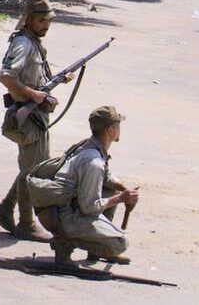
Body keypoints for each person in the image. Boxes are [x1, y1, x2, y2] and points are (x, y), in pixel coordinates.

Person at [0, 0, 71, 242]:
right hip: (26, 115)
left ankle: (5, 208)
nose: (46, 25)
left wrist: (55, 80)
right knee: (32, 171)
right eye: (41, 21)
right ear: (28, 20)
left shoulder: (33, 42)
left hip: (35, 115)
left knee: (35, 166)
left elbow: (32, 77)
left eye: (48, 21)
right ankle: (26, 223)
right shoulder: (23, 44)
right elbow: (6, 77)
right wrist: (32, 93)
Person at [47, 105, 139, 264]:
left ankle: (94, 250)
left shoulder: (90, 146)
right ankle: (65, 243)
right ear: (110, 130)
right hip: (66, 217)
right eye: (118, 126)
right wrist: (120, 198)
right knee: (119, 244)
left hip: (62, 208)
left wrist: (125, 189)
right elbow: (89, 207)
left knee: (110, 189)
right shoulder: (93, 162)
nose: (120, 129)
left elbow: (107, 177)